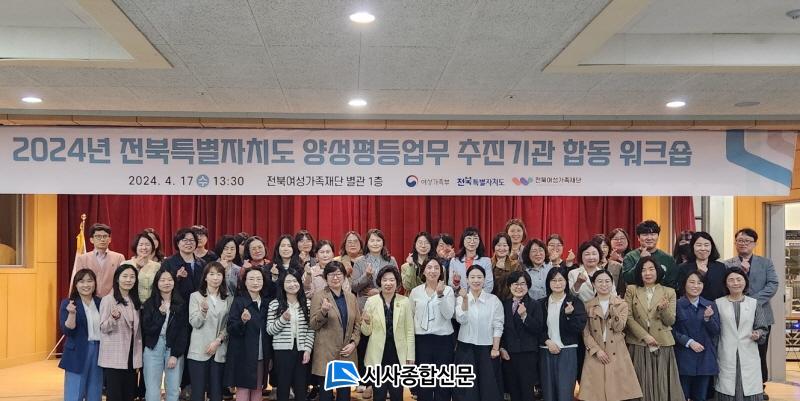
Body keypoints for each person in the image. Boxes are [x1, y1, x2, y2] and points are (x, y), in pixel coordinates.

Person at [723, 228, 779, 398]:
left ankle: (760, 387)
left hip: (761, 314)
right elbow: (723, 286)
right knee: (734, 351)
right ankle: (736, 386)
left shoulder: (765, 263)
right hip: (733, 316)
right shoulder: (727, 264)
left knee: (760, 352)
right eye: (740, 241)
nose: (743, 244)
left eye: (747, 241)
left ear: (754, 244)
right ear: (735, 243)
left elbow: (773, 284)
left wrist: (751, 302)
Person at [624, 256, 684, 401]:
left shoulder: (669, 292)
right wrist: (645, 336)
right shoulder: (632, 290)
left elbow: (670, 321)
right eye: (643, 270)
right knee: (640, 383)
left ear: (658, 271)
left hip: (662, 343)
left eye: (651, 269)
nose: (648, 273)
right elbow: (628, 317)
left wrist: (663, 310)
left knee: (661, 384)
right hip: (639, 343)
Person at [578, 270, 642, 401]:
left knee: (617, 392)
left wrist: (614, 311)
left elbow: (619, 328)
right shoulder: (587, 305)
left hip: (617, 351)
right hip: (595, 352)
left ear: (612, 284)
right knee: (596, 393)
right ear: (593, 284)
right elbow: (585, 333)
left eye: (607, 281)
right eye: (600, 281)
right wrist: (597, 350)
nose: (604, 284)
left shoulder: (621, 304)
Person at [309, 261, 361, 401]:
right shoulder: (319, 296)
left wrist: (353, 343)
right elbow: (313, 325)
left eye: (339, 274)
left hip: (346, 353)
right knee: (326, 396)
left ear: (344, 276)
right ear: (325, 277)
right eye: (331, 274)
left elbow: (358, 324)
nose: (335, 277)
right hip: (326, 353)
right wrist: (323, 312)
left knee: (344, 396)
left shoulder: (351, 297)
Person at [361, 266, 415, 401]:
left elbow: (409, 331)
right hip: (377, 355)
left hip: (398, 355)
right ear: (380, 282)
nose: (388, 283)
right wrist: (366, 322)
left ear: (397, 282)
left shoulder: (404, 301)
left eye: (392, 280)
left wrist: (410, 356)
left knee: (397, 394)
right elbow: (366, 332)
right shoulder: (371, 301)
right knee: (379, 395)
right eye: (385, 280)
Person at [715, 268, 770, 401]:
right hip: (726, 351)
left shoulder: (754, 303)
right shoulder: (718, 303)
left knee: (749, 388)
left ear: (745, 282)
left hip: (748, 351)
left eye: (739, 279)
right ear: (726, 284)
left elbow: (762, 327)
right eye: (731, 280)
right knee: (727, 388)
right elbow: (714, 329)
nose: (735, 283)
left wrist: (758, 333)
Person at [454, 265, 504, 401]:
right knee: (466, 388)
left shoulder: (493, 300)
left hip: (487, 348)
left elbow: (498, 325)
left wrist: (495, 348)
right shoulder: (460, 299)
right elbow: (461, 319)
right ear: (467, 280)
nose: (476, 280)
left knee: (488, 386)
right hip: (465, 348)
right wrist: (465, 300)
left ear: (484, 279)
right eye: (472, 277)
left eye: (479, 277)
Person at [409, 257, 455, 401]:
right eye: (429, 267)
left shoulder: (448, 290)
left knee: (443, 380)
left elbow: (449, 314)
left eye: (436, 268)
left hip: (444, 340)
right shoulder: (415, 292)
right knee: (424, 380)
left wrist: (440, 295)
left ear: (441, 271)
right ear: (423, 271)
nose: (433, 271)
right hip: (422, 340)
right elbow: (410, 317)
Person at [539, 268, 586, 401]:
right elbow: (537, 328)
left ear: (566, 282)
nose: (557, 283)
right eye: (553, 280)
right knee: (548, 392)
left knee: (565, 392)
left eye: (561, 280)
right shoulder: (541, 303)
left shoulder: (575, 302)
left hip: (567, 351)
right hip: (546, 350)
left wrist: (568, 316)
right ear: (548, 282)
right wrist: (547, 341)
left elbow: (578, 328)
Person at [141, 269, 189, 401]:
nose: (166, 283)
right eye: (162, 280)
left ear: (174, 282)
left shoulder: (181, 303)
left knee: (173, 388)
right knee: (152, 389)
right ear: (156, 283)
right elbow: (147, 329)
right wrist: (160, 314)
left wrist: (175, 354)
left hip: (173, 347)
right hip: (153, 347)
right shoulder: (150, 303)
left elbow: (183, 331)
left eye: (169, 280)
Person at [225, 267, 272, 401]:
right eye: (251, 279)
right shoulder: (239, 301)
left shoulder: (266, 303)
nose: (255, 282)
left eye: (258, 279)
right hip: (243, 355)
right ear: (245, 282)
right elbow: (231, 328)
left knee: (258, 389)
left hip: (261, 355)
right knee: (243, 390)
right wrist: (243, 321)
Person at [188, 262, 232, 401]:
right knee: (197, 393)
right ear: (205, 277)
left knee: (217, 393)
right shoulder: (195, 296)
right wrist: (203, 312)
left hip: (219, 351)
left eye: (219, 274)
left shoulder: (228, 298)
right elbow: (195, 322)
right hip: (199, 350)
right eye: (211, 274)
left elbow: (229, 325)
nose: (215, 277)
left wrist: (218, 341)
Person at [267, 270, 314, 401]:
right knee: (283, 387)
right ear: (282, 284)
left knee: (301, 387)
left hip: (302, 350)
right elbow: (270, 330)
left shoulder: (307, 304)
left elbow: (311, 330)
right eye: (288, 281)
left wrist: (308, 349)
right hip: (282, 351)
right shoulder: (274, 304)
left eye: (295, 281)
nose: (292, 284)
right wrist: (282, 319)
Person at [673, 271, 720, 401]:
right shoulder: (676, 305)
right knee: (682, 396)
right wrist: (689, 342)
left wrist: (707, 319)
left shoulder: (710, 305)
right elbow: (671, 330)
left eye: (699, 283)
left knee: (701, 397)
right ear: (685, 284)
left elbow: (716, 331)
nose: (695, 286)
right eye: (692, 282)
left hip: (705, 359)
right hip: (683, 357)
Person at [98, 264, 143, 401]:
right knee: (115, 395)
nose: (128, 280)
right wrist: (113, 318)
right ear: (117, 279)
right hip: (114, 356)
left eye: (132, 277)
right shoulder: (108, 300)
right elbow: (103, 328)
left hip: (132, 355)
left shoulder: (135, 300)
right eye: (125, 276)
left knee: (129, 395)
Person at [59, 269, 103, 401]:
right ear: (76, 284)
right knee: (74, 393)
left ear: (95, 283)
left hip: (98, 351)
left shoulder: (100, 302)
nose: (86, 285)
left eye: (90, 281)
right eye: (82, 281)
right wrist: (72, 314)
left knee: (95, 391)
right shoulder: (69, 303)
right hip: (77, 352)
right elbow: (67, 331)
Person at [499, 270, 543, 401]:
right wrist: (501, 347)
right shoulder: (504, 305)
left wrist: (525, 316)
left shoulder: (535, 304)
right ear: (509, 286)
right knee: (513, 391)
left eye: (522, 284)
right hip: (509, 354)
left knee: (527, 392)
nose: (519, 287)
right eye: (515, 284)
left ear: (528, 286)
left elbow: (538, 329)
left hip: (527, 354)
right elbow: (500, 329)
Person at [72, 223, 126, 297]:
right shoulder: (82, 259)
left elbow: (121, 281)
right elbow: (80, 282)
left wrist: (110, 298)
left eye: (105, 236)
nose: (102, 239)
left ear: (110, 239)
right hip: (90, 299)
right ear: (91, 240)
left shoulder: (119, 258)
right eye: (98, 236)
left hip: (112, 299)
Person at [623, 220, 679, 290]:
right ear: (638, 238)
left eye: (653, 234)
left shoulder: (668, 259)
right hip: (637, 295)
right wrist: (641, 260)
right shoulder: (630, 257)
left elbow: (671, 284)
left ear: (658, 236)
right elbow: (628, 279)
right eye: (645, 235)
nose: (649, 238)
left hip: (661, 296)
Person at [676, 231, 727, 301]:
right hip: (691, 306)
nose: (703, 248)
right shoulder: (683, 268)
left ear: (712, 247)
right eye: (699, 245)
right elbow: (681, 292)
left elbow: (723, 291)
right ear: (692, 247)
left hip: (716, 305)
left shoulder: (720, 267)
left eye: (706, 245)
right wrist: (699, 275)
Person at [162, 228, 207, 304]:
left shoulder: (202, 263)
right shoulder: (168, 262)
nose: (188, 243)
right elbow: (162, 284)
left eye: (192, 240)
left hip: (198, 304)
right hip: (177, 305)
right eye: (185, 240)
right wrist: (176, 277)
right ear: (177, 243)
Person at [449, 226, 494, 293]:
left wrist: (475, 297)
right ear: (463, 241)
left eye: (475, 238)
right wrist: (456, 284)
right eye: (469, 238)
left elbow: (489, 285)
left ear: (479, 241)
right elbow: (450, 284)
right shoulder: (455, 261)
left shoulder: (486, 261)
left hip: (480, 298)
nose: (472, 241)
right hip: (459, 297)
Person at [126, 232, 161, 304]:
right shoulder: (126, 264)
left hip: (152, 305)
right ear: (135, 247)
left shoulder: (157, 266)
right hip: (131, 304)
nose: (144, 248)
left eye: (147, 245)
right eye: (141, 245)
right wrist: (137, 267)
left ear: (152, 247)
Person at [491, 232, 520, 301]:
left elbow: (518, 286)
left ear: (509, 247)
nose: (502, 248)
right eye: (498, 245)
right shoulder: (488, 263)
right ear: (494, 247)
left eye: (505, 245)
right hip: (491, 302)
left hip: (510, 302)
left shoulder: (516, 265)